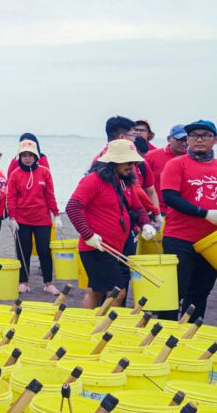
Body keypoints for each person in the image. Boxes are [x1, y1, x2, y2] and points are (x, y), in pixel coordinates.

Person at [66, 140, 157, 310]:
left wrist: (145, 225)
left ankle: (90, 326)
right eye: (128, 162)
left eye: (134, 162)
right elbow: (72, 207)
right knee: (118, 292)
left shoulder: (124, 181)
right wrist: (88, 235)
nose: (132, 166)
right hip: (96, 248)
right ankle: (104, 328)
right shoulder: (93, 180)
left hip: (116, 247)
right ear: (113, 161)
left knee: (96, 291)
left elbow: (137, 207)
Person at [159, 120, 217, 320]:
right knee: (173, 292)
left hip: (211, 243)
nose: (199, 139)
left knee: (200, 292)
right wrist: (205, 213)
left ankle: (188, 336)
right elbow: (170, 197)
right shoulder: (176, 164)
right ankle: (163, 335)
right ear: (188, 141)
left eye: (205, 135)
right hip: (179, 238)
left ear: (214, 140)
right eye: (194, 136)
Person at [6, 139, 61, 295]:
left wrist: (56, 215)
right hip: (22, 220)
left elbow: (50, 195)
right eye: (24, 155)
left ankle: (48, 283)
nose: (27, 158)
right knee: (24, 249)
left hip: (42, 219)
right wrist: (12, 218)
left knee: (44, 250)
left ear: (36, 156)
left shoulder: (45, 172)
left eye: (31, 155)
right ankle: (23, 282)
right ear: (20, 157)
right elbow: (11, 197)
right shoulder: (15, 174)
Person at [146, 124, 188, 213]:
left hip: (183, 212)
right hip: (158, 210)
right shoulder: (151, 156)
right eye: (179, 139)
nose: (184, 143)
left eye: (186, 139)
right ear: (169, 138)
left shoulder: (193, 159)